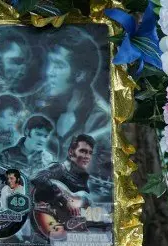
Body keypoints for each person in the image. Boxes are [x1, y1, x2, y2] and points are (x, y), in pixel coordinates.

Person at [26, 26, 111, 174]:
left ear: (80, 75)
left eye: (58, 65)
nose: (48, 72)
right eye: (50, 63)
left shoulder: (102, 121)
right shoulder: (38, 105)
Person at [32, 134, 96, 219]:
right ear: (71, 152)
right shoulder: (59, 168)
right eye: (83, 151)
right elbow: (35, 178)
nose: (87, 156)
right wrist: (64, 199)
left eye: (90, 153)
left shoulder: (83, 179)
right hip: (45, 221)